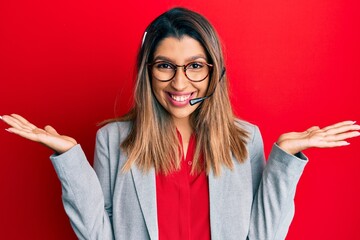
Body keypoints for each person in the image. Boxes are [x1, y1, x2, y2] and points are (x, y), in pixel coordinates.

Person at [1, 7, 359, 240]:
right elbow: (97, 235)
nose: (180, 83)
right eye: (165, 65)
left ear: (213, 71)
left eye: (195, 66)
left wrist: (285, 157)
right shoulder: (113, 139)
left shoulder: (246, 140)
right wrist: (70, 159)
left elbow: (265, 236)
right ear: (148, 70)